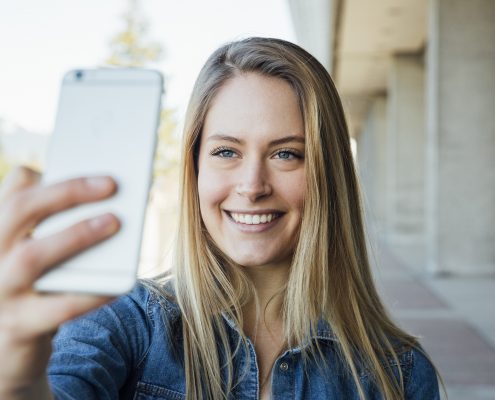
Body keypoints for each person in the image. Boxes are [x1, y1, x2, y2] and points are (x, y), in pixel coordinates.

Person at [0, 37, 442, 400]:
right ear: (195, 169)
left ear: (329, 176)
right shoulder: (124, 322)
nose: (252, 185)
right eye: (226, 152)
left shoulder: (398, 374)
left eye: (286, 154)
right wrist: (16, 383)